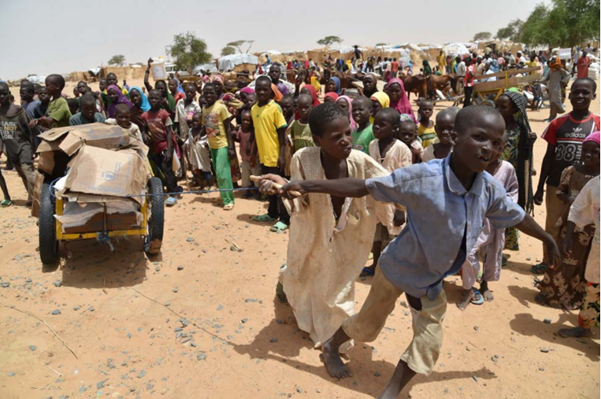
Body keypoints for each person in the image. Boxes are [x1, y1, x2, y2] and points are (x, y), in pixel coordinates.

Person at [273, 106, 560, 398]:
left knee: (429, 340)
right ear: (456, 136)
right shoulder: (424, 177)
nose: (489, 149)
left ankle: (391, 392)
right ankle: (333, 344)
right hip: (397, 268)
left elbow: (516, 215)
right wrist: (306, 185)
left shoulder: (488, 188)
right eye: (480, 138)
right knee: (367, 325)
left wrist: (547, 238)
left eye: (497, 143)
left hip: (431, 280)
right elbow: (364, 187)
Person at [256, 102, 389, 355]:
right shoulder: (303, 158)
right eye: (336, 137)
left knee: (339, 287)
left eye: (348, 133)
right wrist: (281, 185)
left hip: (351, 234)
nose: (346, 141)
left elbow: (389, 186)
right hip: (313, 230)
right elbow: (298, 198)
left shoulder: (361, 161)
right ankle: (287, 286)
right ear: (317, 140)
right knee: (303, 271)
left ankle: (334, 337)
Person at [533, 78, 600, 274]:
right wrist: (539, 187)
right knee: (553, 226)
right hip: (555, 185)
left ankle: (578, 267)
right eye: (576, 92)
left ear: (593, 96)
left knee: (584, 226)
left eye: (585, 92)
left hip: (587, 187)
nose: (580, 96)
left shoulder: (598, 123)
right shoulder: (558, 123)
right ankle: (549, 262)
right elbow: (548, 157)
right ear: (568, 95)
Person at [536, 133, 599, 309]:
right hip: (570, 223)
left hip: (592, 230)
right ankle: (552, 294)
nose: (587, 155)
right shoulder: (572, 171)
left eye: (594, 152)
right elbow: (560, 191)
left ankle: (577, 298)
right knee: (565, 257)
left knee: (585, 262)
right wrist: (573, 200)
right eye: (584, 150)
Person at [457, 131, 518, 309]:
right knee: (469, 252)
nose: (491, 149)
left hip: (495, 219)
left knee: (492, 253)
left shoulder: (507, 169)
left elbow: (513, 191)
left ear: (503, 148)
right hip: (473, 216)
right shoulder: (473, 165)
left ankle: (484, 284)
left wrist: (503, 208)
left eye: (497, 146)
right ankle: (468, 287)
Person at [362, 108, 412, 277]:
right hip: (375, 200)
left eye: (382, 125)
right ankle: (376, 264)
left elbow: (406, 181)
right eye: (375, 124)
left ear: (395, 129)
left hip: (394, 202)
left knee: (394, 238)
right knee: (377, 237)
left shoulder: (402, 149)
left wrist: (400, 209)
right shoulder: (372, 145)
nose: (376, 128)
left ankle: (394, 271)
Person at [557, 174, 600, 338]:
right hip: (599, 248)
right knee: (593, 288)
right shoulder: (596, 184)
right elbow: (577, 208)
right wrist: (568, 236)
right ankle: (585, 326)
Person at [495, 92, 536, 251]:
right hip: (494, 175)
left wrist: (530, 144)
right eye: (496, 106)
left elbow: (525, 155)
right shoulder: (492, 126)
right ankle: (494, 244)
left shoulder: (520, 128)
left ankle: (509, 241)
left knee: (511, 206)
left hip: (512, 177)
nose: (498, 110)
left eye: (503, 107)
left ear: (514, 110)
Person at [250, 76, 290, 232]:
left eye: (265, 89)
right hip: (263, 156)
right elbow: (256, 132)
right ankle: (272, 213)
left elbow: (282, 133)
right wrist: (253, 153)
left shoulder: (275, 108)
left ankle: (284, 218)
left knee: (279, 188)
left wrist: (281, 155)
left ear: (271, 91)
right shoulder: (254, 109)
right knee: (268, 187)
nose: (261, 92)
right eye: (259, 89)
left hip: (275, 157)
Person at [142, 89, 182, 206]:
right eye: (151, 98)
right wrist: (144, 134)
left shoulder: (164, 114)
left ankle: (172, 193)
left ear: (161, 100)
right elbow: (144, 128)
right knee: (160, 169)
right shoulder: (145, 115)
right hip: (155, 147)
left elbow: (169, 132)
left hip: (165, 145)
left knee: (167, 168)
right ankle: (170, 188)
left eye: (156, 98)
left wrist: (169, 150)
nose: (153, 100)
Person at [0, 81, 36, 206]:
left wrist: (32, 148)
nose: (2, 97)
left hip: (23, 146)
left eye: (4, 94)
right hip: (11, 149)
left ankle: (40, 200)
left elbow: (29, 129)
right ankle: (32, 198)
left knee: (29, 173)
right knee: (22, 174)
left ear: (9, 94)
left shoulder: (18, 110)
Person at [201, 83, 236, 210]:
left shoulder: (220, 107)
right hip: (212, 145)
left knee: (223, 173)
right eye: (207, 93)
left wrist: (231, 147)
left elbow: (227, 127)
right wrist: (198, 136)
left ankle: (229, 200)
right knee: (218, 172)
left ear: (216, 94)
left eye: (212, 93)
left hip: (223, 144)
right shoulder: (204, 109)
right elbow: (205, 126)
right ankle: (224, 197)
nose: (209, 95)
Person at [235, 109, 261, 199]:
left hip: (254, 158)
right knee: (245, 175)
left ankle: (258, 193)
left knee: (256, 175)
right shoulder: (240, 129)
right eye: (244, 120)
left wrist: (254, 156)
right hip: (244, 158)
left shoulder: (254, 131)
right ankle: (247, 191)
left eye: (248, 120)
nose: (246, 122)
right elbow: (238, 139)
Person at [188, 112, 213, 190]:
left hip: (203, 155)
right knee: (196, 170)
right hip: (194, 154)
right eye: (193, 121)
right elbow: (189, 141)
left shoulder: (204, 131)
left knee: (206, 170)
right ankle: (201, 184)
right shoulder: (190, 131)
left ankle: (210, 184)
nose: (194, 123)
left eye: (196, 121)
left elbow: (209, 141)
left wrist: (206, 145)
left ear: (201, 121)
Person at [544, 56, 570, 122]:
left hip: (556, 88)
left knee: (554, 103)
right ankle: (551, 117)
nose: (552, 61)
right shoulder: (550, 69)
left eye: (554, 59)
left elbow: (568, 75)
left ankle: (552, 117)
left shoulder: (560, 69)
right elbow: (546, 78)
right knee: (551, 103)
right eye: (552, 59)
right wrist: (537, 81)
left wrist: (563, 81)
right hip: (551, 88)